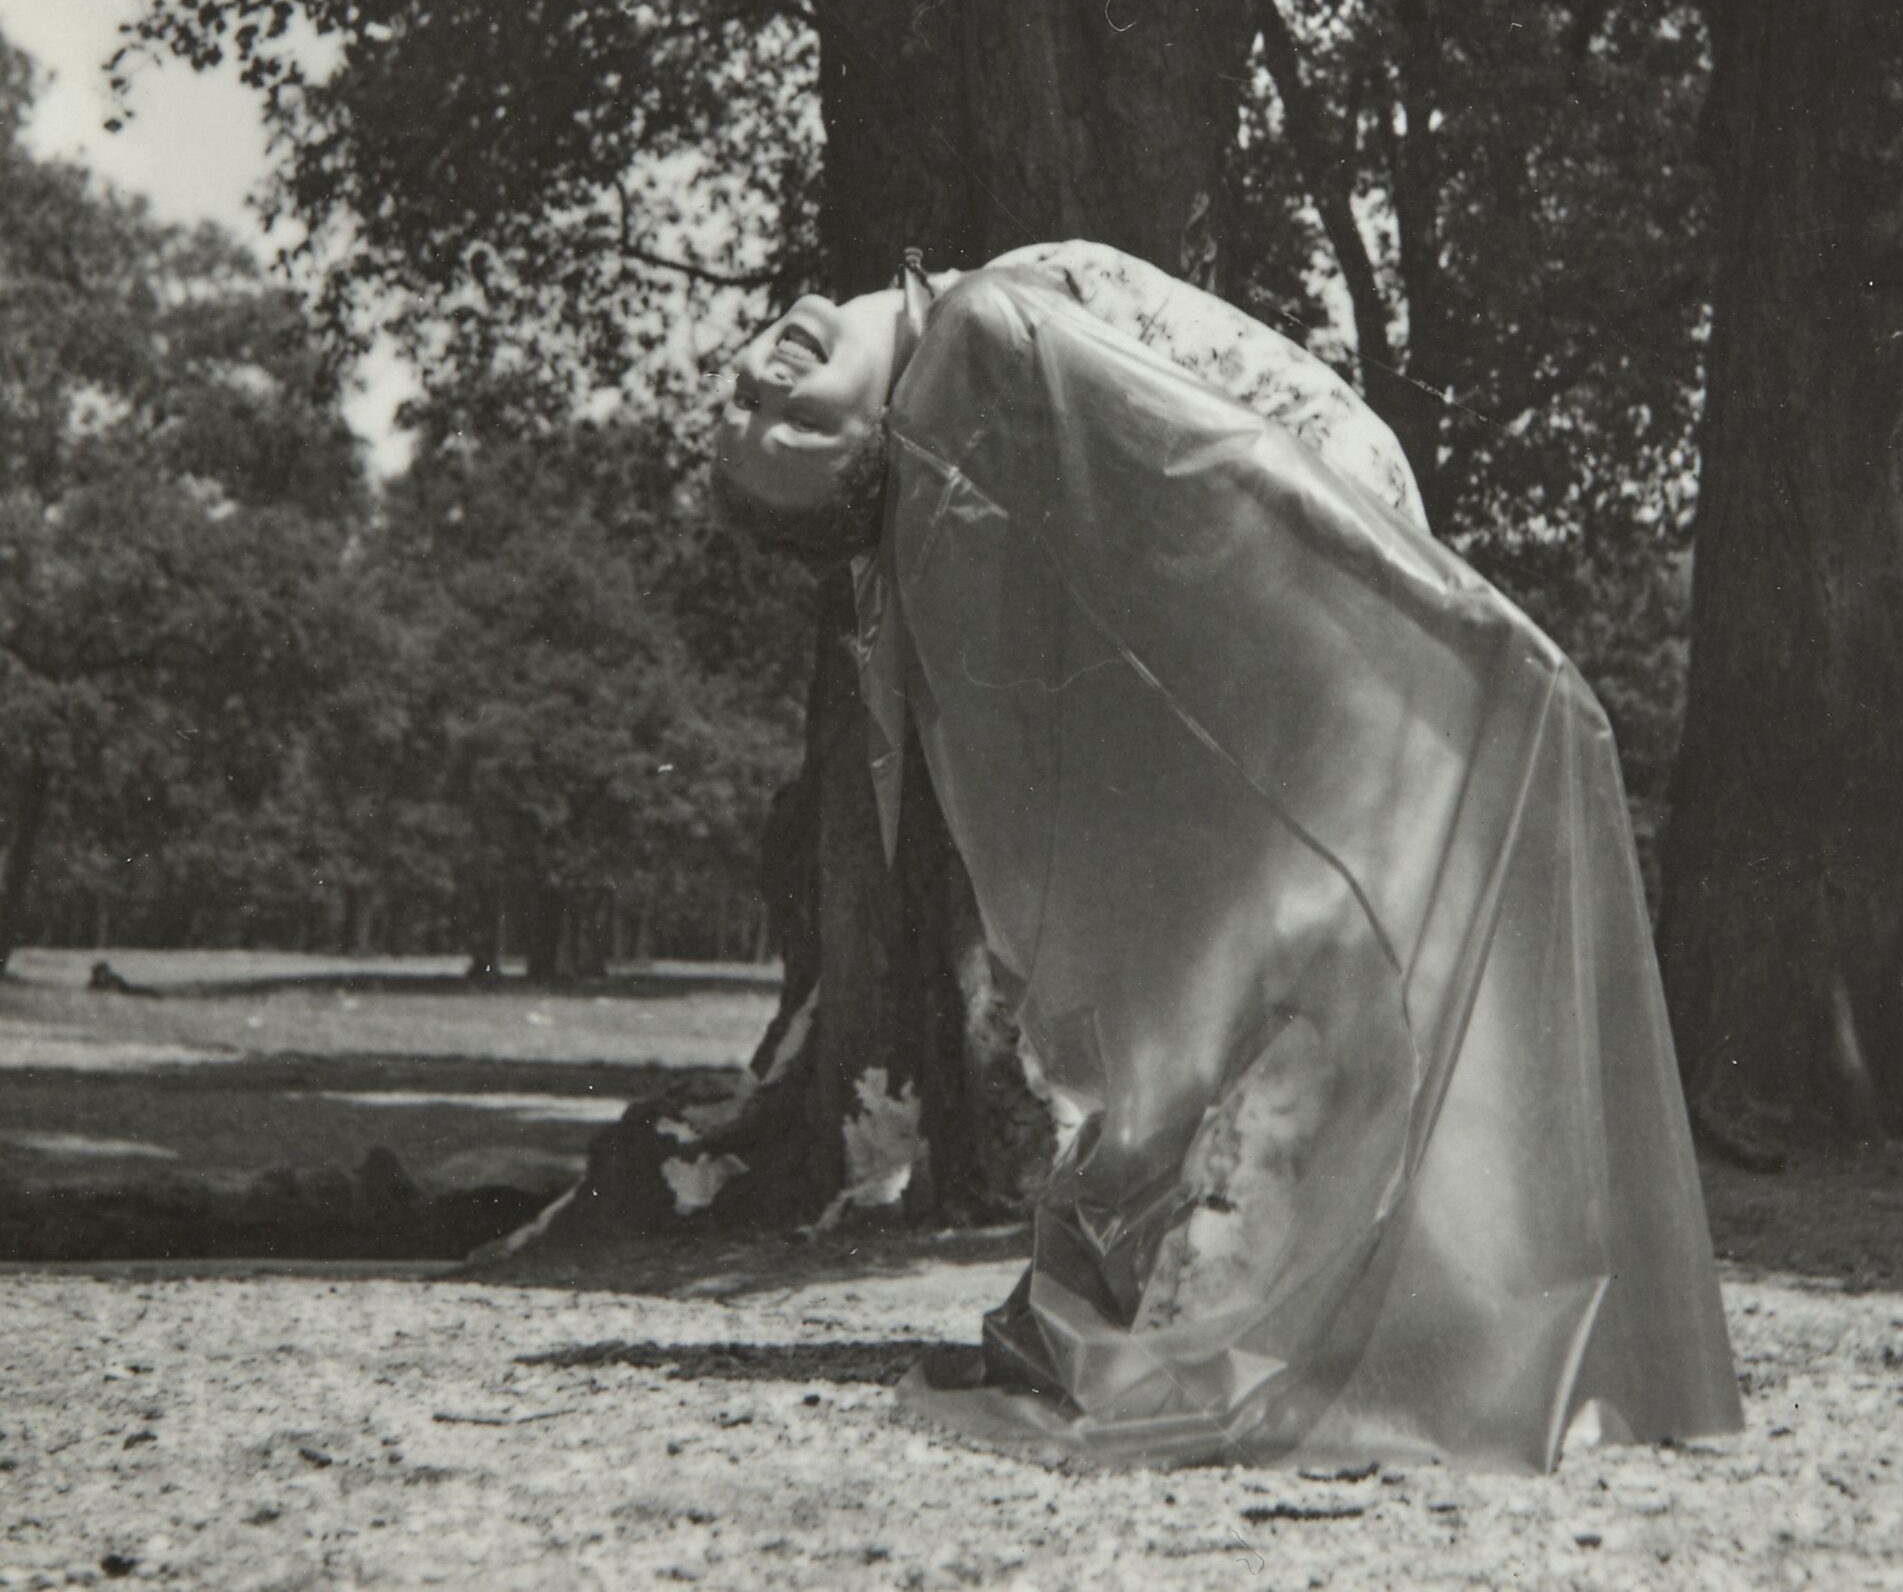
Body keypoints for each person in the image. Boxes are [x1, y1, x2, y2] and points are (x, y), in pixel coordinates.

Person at [716, 240, 1740, 1470]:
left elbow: (1197, 459)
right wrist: (1420, 600)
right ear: (871, 458)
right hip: (1300, 596)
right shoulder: (973, 348)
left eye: (746, 403)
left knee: (1313, 1006)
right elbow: (1208, 468)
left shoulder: (974, 337)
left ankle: (1381, 1323)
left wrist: (1419, 601)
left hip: (1307, 588)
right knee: (1307, 1012)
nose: (768, 385)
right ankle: (1377, 1322)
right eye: (787, 433)